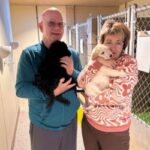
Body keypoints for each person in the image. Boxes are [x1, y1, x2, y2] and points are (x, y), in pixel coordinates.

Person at [15, 7, 82, 150]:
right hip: (44, 125)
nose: (57, 28)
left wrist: (73, 72)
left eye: (60, 24)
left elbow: (83, 82)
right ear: (41, 26)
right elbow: (21, 89)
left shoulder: (73, 54)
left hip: (70, 122)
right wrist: (50, 92)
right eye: (51, 23)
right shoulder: (30, 55)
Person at [77, 20, 138, 150]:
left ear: (124, 44)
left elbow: (118, 96)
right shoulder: (97, 58)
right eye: (109, 42)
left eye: (118, 43)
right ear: (102, 43)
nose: (112, 48)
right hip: (89, 123)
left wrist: (90, 99)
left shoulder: (129, 63)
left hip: (114, 130)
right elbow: (81, 82)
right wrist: (97, 63)